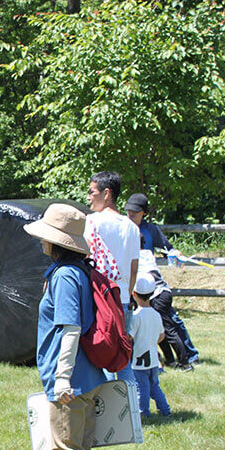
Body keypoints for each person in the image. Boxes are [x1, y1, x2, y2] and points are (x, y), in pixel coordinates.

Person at [23, 203, 108, 450]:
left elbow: (70, 329)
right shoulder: (77, 271)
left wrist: (61, 379)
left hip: (71, 382)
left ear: (54, 241)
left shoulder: (64, 276)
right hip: (87, 377)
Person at [126, 193, 199, 366]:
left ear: (144, 212)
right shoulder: (123, 226)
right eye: (129, 211)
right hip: (132, 284)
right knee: (139, 322)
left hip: (152, 286)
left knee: (170, 322)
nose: (131, 214)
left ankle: (189, 356)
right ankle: (158, 357)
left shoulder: (151, 230)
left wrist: (175, 254)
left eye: (135, 211)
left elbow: (168, 249)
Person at [84, 171, 139, 388]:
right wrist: (127, 293)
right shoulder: (131, 227)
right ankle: (132, 404)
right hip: (122, 298)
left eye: (92, 192)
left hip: (99, 298)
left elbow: (86, 258)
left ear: (106, 193)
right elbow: (134, 269)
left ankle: (106, 405)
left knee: (102, 354)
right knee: (122, 356)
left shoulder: (92, 222)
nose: (88, 197)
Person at [129, 273, 172, 417]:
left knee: (141, 389)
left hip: (139, 361)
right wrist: (151, 341)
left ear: (134, 294)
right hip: (153, 360)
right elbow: (162, 335)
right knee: (154, 387)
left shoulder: (136, 316)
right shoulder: (156, 314)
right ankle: (165, 410)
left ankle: (143, 413)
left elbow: (130, 337)